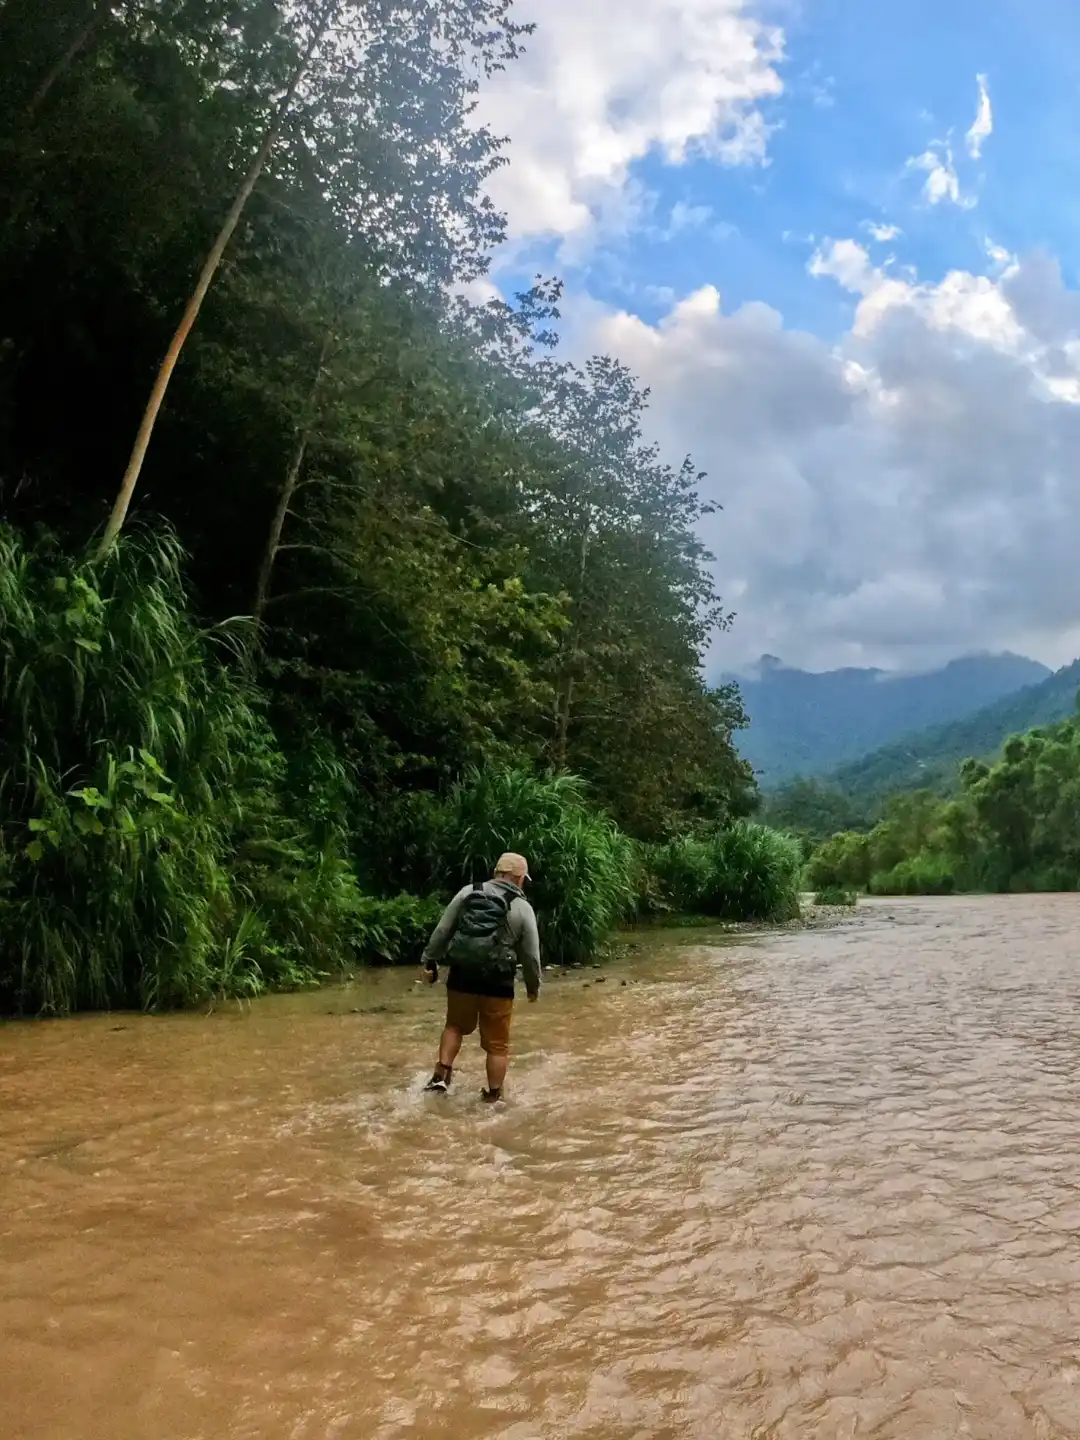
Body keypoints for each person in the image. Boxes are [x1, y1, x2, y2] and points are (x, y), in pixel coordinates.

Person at [420, 852, 540, 1103]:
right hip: (498, 982)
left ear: (498, 873)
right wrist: (532, 987)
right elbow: (530, 955)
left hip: (462, 974)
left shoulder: (468, 893)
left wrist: (430, 961)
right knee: (497, 1045)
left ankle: (441, 1076)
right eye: (522, 879)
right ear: (516, 878)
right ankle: (493, 1096)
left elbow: (443, 930)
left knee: (454, 1025)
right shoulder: (522, 907)